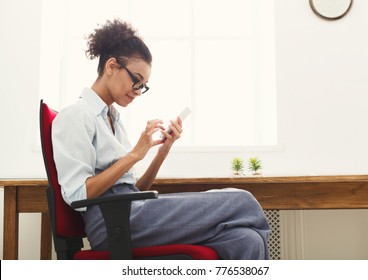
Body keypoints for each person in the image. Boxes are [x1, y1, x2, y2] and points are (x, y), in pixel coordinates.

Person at [52, 19, 271, 260]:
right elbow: (77, 195)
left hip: (130, 212)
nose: (137, 90)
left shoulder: (113, 118)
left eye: (143, 86)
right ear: (111, 66)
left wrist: (162, 152)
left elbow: (134, 191)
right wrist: (135, 154)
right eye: (136, 80)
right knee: (243, 201)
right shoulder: (76, 115)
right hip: (111, 224)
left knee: (245, 240)